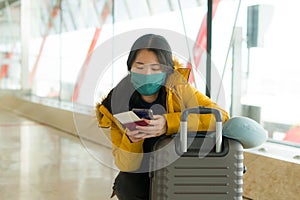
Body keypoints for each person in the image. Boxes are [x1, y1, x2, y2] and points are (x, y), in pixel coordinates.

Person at [95, 34, 229, 200]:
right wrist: (132, 141)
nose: (147, 73)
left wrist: (169, 123)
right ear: (130, 68)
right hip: (142, 173)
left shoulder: (179, 89)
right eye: (140, 66)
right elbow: (125, 165)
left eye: (155, 68)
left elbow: (221, 116)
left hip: (179, 166)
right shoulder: (116, 103)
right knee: (125, 183)